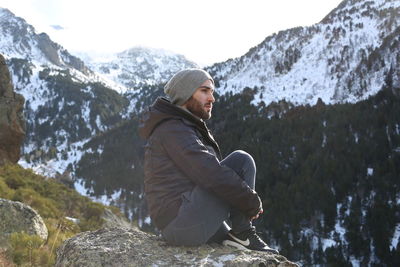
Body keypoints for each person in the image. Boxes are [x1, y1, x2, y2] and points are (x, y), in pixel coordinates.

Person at [138, 68, 278, 253]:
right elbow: (211, 174)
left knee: (228, 237)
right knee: (241, 161)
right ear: (185, 94)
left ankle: (238, 235)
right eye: (204, 91)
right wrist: (250, 200)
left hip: (184, 216)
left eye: (212, 91)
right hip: (181, 222)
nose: (212, 98)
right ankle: (243, 232)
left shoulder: (180, 125)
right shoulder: (173, 129)